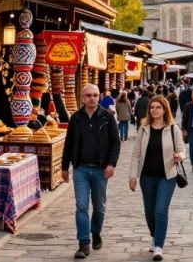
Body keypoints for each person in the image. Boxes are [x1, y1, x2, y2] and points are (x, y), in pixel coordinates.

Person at [62, 83, 122, 259]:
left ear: (99, 97)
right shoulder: (76, 118)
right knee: (81, 206)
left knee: (100, 207)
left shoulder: (107, 117)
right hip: (80, 168)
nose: (92, 98)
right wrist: (65, 167)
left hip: (100, 169)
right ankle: (83, 243)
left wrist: (112, 164)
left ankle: (96, 231)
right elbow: (69, 143)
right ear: (83, 97)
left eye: (95, 95)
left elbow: (115, 143)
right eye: (88, 95)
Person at [128, 96, 185, 261]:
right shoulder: (144, 128)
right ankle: (154, 234)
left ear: (165, 109)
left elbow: (182, 151)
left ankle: (159, 245)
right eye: (152, 107)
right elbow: (136, 154)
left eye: (158, 107)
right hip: (147, 176)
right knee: (149, 211)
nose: (154, 110)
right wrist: (133, 176)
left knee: (161, 209)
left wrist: (179, 156)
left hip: (167, 176)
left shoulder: (173, 129)